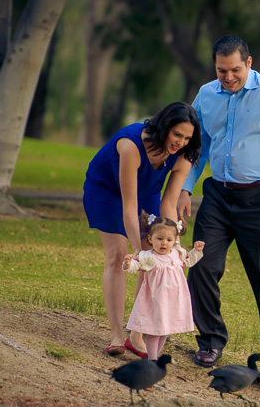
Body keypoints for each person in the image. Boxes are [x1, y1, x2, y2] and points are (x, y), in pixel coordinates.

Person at [177, 35, 260, 394]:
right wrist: (186, 186)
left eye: (234, 70)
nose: (228, 77)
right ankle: (211, 340)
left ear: (249, 63)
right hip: (219, 195)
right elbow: (199, 147)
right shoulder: (207, 94)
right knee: (200, 265)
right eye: (221, 70)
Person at [83, 102, 201, 358]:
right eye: (177, 134)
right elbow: (129, 205)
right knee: (118, 255)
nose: (181, 142)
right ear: (164, 127)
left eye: (187, 137)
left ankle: (136, 334)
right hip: (107, 191)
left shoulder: (184, 157)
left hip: (146, 193)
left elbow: (168, 204)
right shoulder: (131, 145)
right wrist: (138, 250)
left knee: (154, 257)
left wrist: (174, 246)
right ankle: (116, 334)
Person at [123, 213, 205, 361]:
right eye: (159, 239)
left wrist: (196, 251)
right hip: (156, 299)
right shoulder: (148, 256)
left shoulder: (177, 254)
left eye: (169, 240)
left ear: (174, 241)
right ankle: (152, 359)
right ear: (150, 238)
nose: (164, 243)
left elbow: (189, 261)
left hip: (173, 299)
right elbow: (135, 266)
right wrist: (129, 264)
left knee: (165, 330)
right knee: (155, 330)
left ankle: (155, 357)